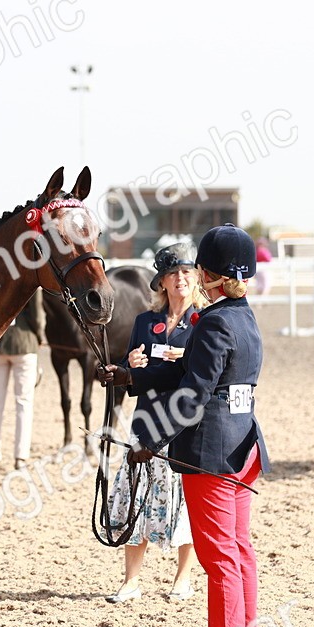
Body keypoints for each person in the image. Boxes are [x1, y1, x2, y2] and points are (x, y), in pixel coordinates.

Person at [99, 224, 269, 627]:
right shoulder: (244, 317)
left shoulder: (212, 323)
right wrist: (132, 377)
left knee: (217, 556)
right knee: (238, 548)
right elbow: (196, 377)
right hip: (244, 444)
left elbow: (192, 395)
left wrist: (151, 441)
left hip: (209, 452)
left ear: (208, 275)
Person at [104, 243, 206, 605]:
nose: (181, 278)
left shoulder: (204, 322)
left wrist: (187, 358)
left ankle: (183, 577)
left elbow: (208, 376)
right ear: (161, 282)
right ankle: (131, 580)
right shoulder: (145, 322)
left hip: (184, 423)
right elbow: (132, 371)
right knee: (134, 496)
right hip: (146, 420)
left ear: (197, 279)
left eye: (188, 272)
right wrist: (129, 364)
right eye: (174, 273)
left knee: (185, 500)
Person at [0, 291, 45, 471]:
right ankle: (20, 457)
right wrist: (40, 336)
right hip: (24, 343)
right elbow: (37, 315)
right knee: (24, 402)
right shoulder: (31, 278)